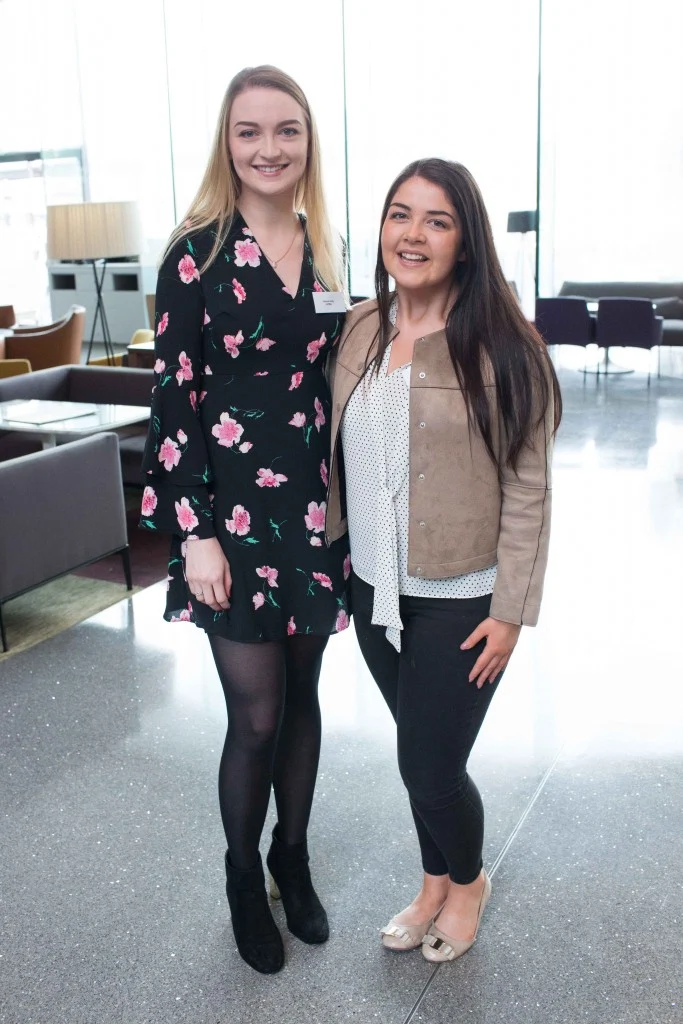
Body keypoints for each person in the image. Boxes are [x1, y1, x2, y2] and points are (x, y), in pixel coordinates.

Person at [140, 66, 350, 975]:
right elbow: (172, 399)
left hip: (312, 514)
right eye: (249, 131)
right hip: (229, 520)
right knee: (256, 716)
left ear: (308, 142)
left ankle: (289, 859)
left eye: (286, 130)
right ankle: (239, 874)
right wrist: (194, 534)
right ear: (226, 145)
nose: (269, 148)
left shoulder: (328, 250)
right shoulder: (195, 253)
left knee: (303, 700)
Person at [326, 159, 561, 963]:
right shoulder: (360, 327)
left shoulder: (504, 345)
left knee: (429, 766)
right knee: (418, 754)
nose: (413, 234)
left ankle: (467, 883)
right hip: (373, 587)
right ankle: (431, 884)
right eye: (400, 214)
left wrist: (510, 611)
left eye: (437, 220)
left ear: (466, 241)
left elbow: (528, 488)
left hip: (462, 596)